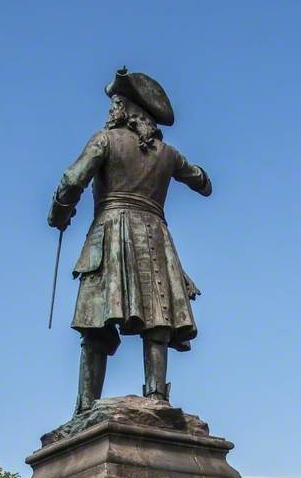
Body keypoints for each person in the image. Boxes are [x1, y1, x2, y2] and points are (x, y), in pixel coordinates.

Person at [48, 68, 212, 414]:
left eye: (117, 102)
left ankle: (85, 407)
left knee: (96, 325)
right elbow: (202, 181)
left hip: (111, 231)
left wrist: (59, 213)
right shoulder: (168, 154)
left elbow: (71, 180)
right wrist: (196, 176)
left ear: (130, 109)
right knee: (158, 318)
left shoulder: (104, 140)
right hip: (154, 237)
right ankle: (157, 398)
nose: (112, 108)